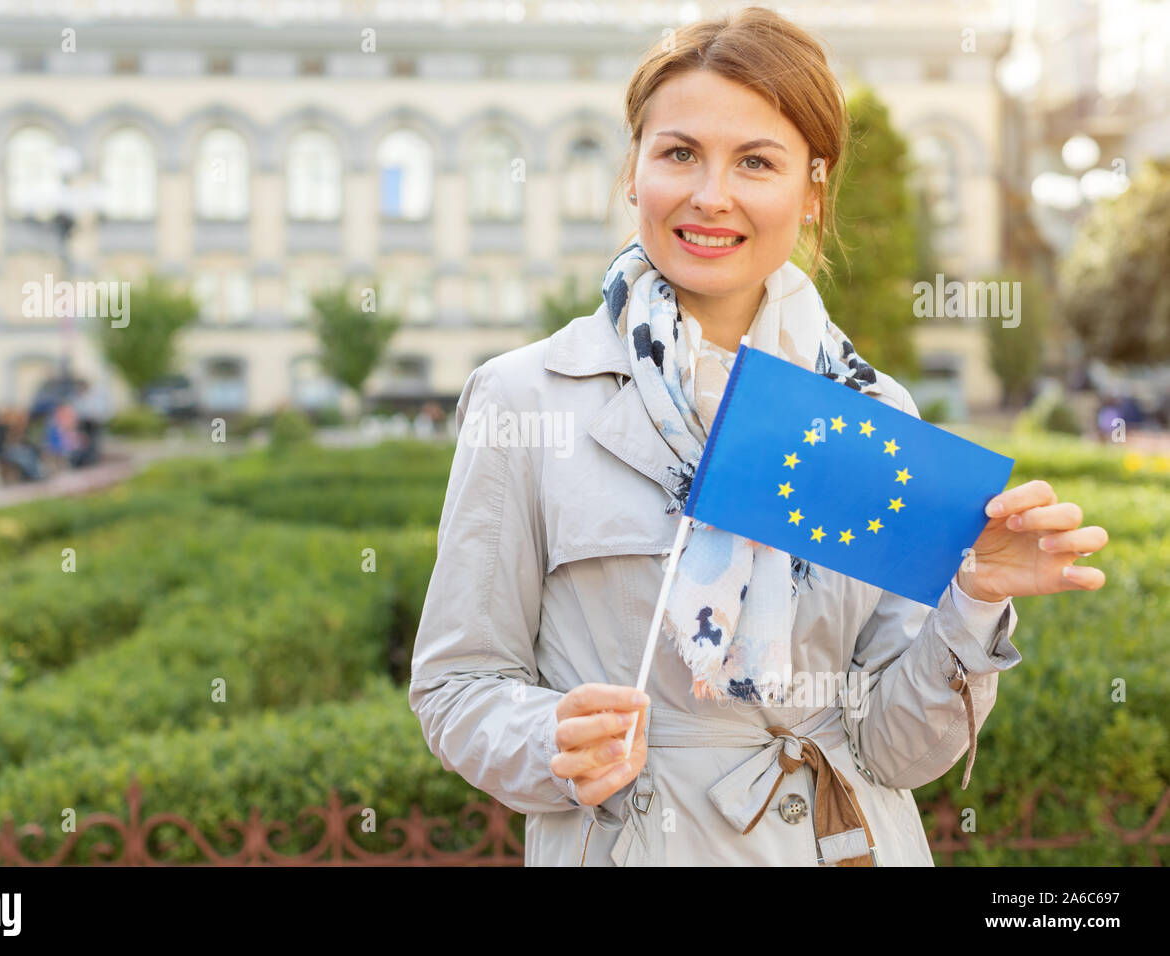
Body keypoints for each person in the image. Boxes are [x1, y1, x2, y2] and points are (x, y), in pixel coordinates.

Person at [408, 8, 1111, 867]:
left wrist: (973, 601)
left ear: (812, 188)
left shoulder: (874, 415)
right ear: (633, 170)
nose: (711, 195)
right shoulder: (525, 397)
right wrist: (549, 737)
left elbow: (896, 749)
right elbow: (455, 687)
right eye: (678, 154)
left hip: (844, 842)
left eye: (756, 162)